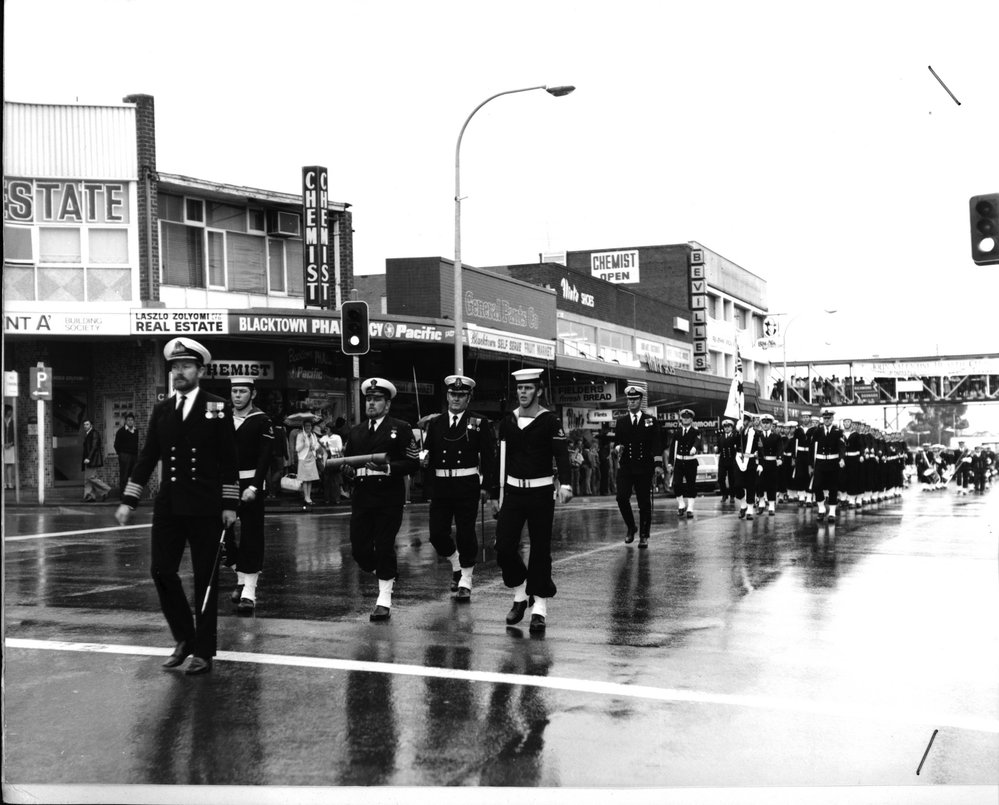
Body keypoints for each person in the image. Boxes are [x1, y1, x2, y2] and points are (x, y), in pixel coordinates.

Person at [114, 337, 239, 676]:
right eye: (175, 367)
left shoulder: (218, 407)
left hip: (206, 506)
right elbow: (147, 456)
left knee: (204, 579)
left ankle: (204, 651)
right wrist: (129, 499)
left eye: (186, 366)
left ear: (200, 370)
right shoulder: (162, 410)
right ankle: (184, 637)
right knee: (161, 571)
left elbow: (229, 458)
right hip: (169, 505)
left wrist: (230, 503)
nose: (179, 372)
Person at [490, 368, 573, 634]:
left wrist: (566, 484)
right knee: (503, 546)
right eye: (520, 388)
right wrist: (494, 493)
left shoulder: (550, 421)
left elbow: (562, 455)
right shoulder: (508, 421)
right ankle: (519, 593)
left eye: (528, 388)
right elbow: (498, 460)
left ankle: (539, 606)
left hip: (540, 492)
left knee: (540, 549)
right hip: (513, 492)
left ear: (538, 391)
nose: (523, 393)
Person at [341, 378, 419, 621]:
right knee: (359, 550)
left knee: (384, 546)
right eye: (369, 399)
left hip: (388, 497)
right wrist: (348, 472)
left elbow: (412, 462)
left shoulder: (401, 428)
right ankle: (387, 573)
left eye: (376, 399)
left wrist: (387, 468)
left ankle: (384, 599)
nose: (371, 403)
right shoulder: (356, 431)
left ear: (387, 404)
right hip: (363, 497)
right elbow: (349, 462)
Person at [420, 374, 495, 602]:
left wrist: (487, 487)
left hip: (466, 484)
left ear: (469, 398)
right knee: (437, 534)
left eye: (461, 395)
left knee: (465, 532)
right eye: (453, 394)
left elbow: (489, 458)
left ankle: (466, 580)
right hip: (442, 485)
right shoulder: (436, 423)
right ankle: (456, 564)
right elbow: (427, 454)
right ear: (447, 395)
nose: (456, 399)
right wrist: (424, 467)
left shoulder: (479, 423)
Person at [223, 377, 274, 615]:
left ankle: (249, 592)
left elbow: (265, 457)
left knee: (252, 536)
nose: (237, 395)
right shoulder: (221, 418)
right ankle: (241, 576)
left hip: (250, 485)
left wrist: (254, 487)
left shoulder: (262, 421)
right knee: (222, 535)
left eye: (243, 391)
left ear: (252, 394)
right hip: (226, 485)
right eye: (234, 391)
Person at [614, 384, 661, 547]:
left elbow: (656, 443)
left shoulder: (650, 421)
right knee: (621, 497)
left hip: (644, 467)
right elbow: (617, 442)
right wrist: (617, 448)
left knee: (644, 502)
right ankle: (631, 527)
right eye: (629, 400)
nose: (631, 403)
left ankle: (644, 535)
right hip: (626, 466)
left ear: (641, 401)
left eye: (635, 400)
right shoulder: (621, 422)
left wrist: (658, 464)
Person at [668, 408, 701, 518]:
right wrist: (670, 463)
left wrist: (694, 448)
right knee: (677, 484)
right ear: (681, 419)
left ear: (691, 420)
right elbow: (672, 448)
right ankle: (681, 505)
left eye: (688, 418)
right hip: (679, 461)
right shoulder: (677, 432)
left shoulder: (695, 431)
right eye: (684, 418)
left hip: (690, 461)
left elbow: (698, 441)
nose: (686, 420)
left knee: (691, 485)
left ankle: (690, 508)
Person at [812, 410, 844, 522]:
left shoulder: (838, 432)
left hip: (833, 462)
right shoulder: (817, 431)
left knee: (833, 488)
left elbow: (841, 446)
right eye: (825, 418)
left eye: (829, 418)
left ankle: (832, 512)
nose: (826, 420)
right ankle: (821, 509)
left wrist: (841, 458)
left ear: (832, 419)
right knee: (817, 486)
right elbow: (812, 448)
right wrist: (811, 464)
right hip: (820, 462)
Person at [754, 414, 782, 515]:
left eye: (767, 423)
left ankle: (771, 506)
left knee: (771, 485)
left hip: (772, 463)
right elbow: (756, 449)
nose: (765, 425)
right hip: (761, 463)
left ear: (771, 424)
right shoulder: (758, 436)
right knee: (759, 484)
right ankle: (761, 503)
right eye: (763, 423)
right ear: (761, 424)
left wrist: (779, 458)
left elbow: (779, 449)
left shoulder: (776, 436)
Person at [81, 418, 112, 502]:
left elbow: (94, 447)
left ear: (91, 425)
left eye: (87, 424)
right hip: (89, 459)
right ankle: (90, 496)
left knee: (90, 478)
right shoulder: (88, 434)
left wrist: (88, 458)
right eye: (84, 424)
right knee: (87, 479)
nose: (85, 426)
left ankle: (106, 489)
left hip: (92, 459)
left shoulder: (94, 433)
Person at [295, 417, 322, 508]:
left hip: (311, 458)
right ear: (303, 426)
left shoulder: (313, 435)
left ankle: (308, 497)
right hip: (303, 458)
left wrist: (314, 447)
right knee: (305, 479)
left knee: (310, 479)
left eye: (309, 426)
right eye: (306, 426)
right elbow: (297, 449)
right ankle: (306, 497)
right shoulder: (300, 435)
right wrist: (303, 442)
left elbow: (317, 444)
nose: (308, 427)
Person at [113, 413, 139, 498]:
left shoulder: (136, 431)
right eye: (128, 420)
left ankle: (131, 494)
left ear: (134, 421)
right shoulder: (121, 431)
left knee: (133, 476)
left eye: (132, 420)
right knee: (124, 475)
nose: (130, 422)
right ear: (126, 421)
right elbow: (116, 445)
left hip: (134, 456)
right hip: (124, 456)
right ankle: (123, 494)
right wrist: (121, 454)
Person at [319, 421, 346, 504]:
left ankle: (336, 498)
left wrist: (329, 449)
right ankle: (327, 498)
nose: (326, 430)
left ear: (331, 429)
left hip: (335, 459)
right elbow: (319, 446)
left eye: (327, 428)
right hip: (326, 460)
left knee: (335, 479)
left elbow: (339, 448)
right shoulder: (323, 438)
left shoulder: (337, 437)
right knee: (326, 479)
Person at [715, 419, 739, 504]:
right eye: (725, 427)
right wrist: (716, 449)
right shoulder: (721, 437)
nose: (727, 428)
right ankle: (724, 494)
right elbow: (718, 449)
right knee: (721, 478)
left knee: (732, 479)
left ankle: (732, 495)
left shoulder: (735, 436)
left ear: (732, 427)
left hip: (732, 460)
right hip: (723, 460)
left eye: (728, 426)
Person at [4, 404, 16, 489]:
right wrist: (3, 444)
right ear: (6, 411)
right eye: (9, 410)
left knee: (9, 465)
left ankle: (10, 483)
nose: (11, 412)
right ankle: (4, 483)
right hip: (2, 445)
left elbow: (15, 433)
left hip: (11, 445)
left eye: (11, 410)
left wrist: (11, 443)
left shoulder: (13, 421)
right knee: (3, 465)